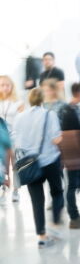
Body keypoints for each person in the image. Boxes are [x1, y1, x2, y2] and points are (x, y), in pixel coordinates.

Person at [13, 88, 64, 247]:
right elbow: (56, 139)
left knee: (37, 201)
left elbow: (16, 140)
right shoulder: (50, 115)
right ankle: (55, 224)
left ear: (29, 100)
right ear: (43, 100)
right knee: (57, 192)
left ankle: (42, 237)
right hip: (50, 161)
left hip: (30, 164)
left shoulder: (20, 117)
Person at [51, 82, 80, 228]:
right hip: (72, 151)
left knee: (77, 182)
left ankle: (69, 210)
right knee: (73, 184)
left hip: (69, 151)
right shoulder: (75, 110)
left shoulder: (66, 109)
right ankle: (74, 217)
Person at [0, 75, 24, 203]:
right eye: (2, 85)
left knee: (15, 165)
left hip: (14, 137)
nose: (4, 88)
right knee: (2, 165)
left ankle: (16, 190)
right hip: (1, 137)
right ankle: (3, 188)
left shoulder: (18, 102)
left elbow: (22, 121)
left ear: (11, 86)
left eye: (7, 85)